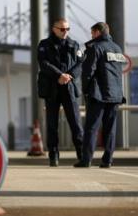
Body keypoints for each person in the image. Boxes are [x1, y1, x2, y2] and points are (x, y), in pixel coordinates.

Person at [75, 22, 127, 168]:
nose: (91, 36)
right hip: (115, 95)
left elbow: (88, 72)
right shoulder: (117, 48)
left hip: (98, 95)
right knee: (110, 128)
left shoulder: (94, 48)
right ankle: (108, 160)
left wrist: (85, 91)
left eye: (92, 33)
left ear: (97, 32)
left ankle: (86, 160)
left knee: (92, 127)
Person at [37, 18, 83, 167]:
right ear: (54, 29)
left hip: (68, 87)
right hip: (52, 88)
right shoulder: (44, 45)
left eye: (67, 29)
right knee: (52, 125)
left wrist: (69, 76)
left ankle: (82, 155)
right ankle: (54, 156)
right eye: (62, 29)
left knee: (75, 123)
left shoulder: (74, 44)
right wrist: (59, 75)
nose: (65, 32)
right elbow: (44, 64)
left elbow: (80, 63)